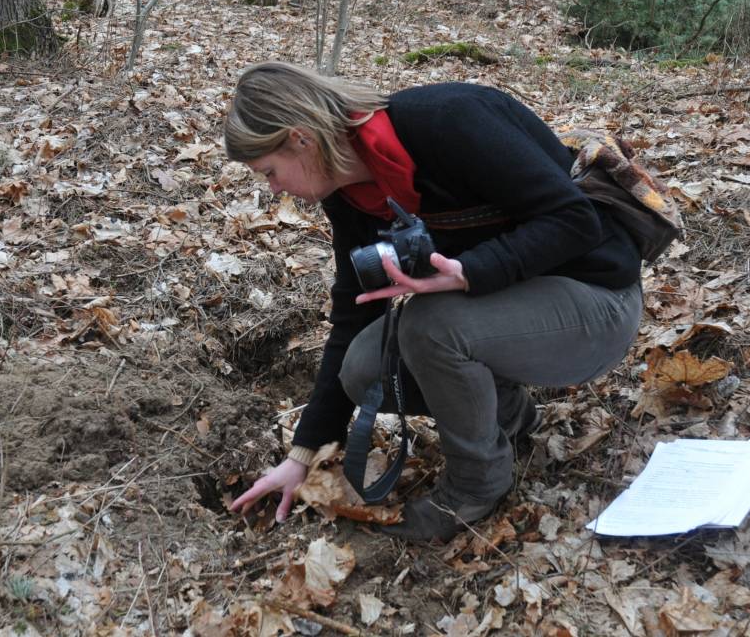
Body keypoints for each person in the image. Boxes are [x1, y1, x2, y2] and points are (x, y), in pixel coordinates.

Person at [224, 61, 643, 542]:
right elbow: (353, 311)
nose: (273, 188)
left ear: (301, 138)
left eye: (269, 172)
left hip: (597, 302)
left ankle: (476, 486)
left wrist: (470, 272)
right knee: (363, 365)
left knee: (430, 324)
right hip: (513, 314)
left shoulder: (449, 119)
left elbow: (575, 220)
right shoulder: (350, 194)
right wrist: (303, 455)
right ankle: (511, 418)